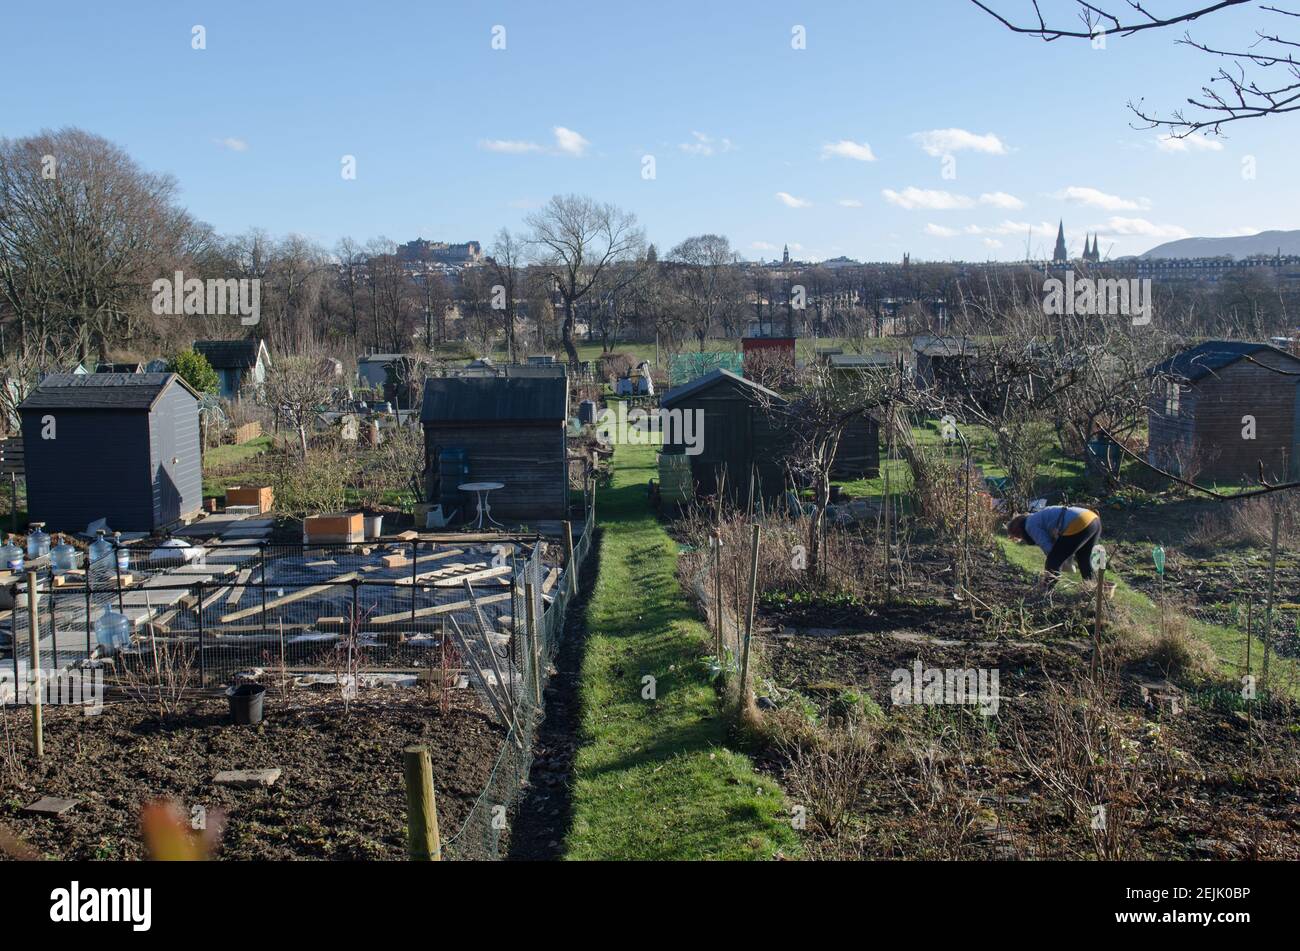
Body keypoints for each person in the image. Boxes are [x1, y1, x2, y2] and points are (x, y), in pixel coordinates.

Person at [1007, 505, 1102, 591]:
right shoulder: (1036, 517)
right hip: (1092, 519)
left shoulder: (1029, 525)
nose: (1022, 539)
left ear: (1018, 530)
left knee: (1053, 559)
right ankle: (1091, 589)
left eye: (1019, 537)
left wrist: (1055, 562)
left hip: (1079, 521)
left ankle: (1045, 589)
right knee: (1084, 559)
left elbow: (1047, 546)